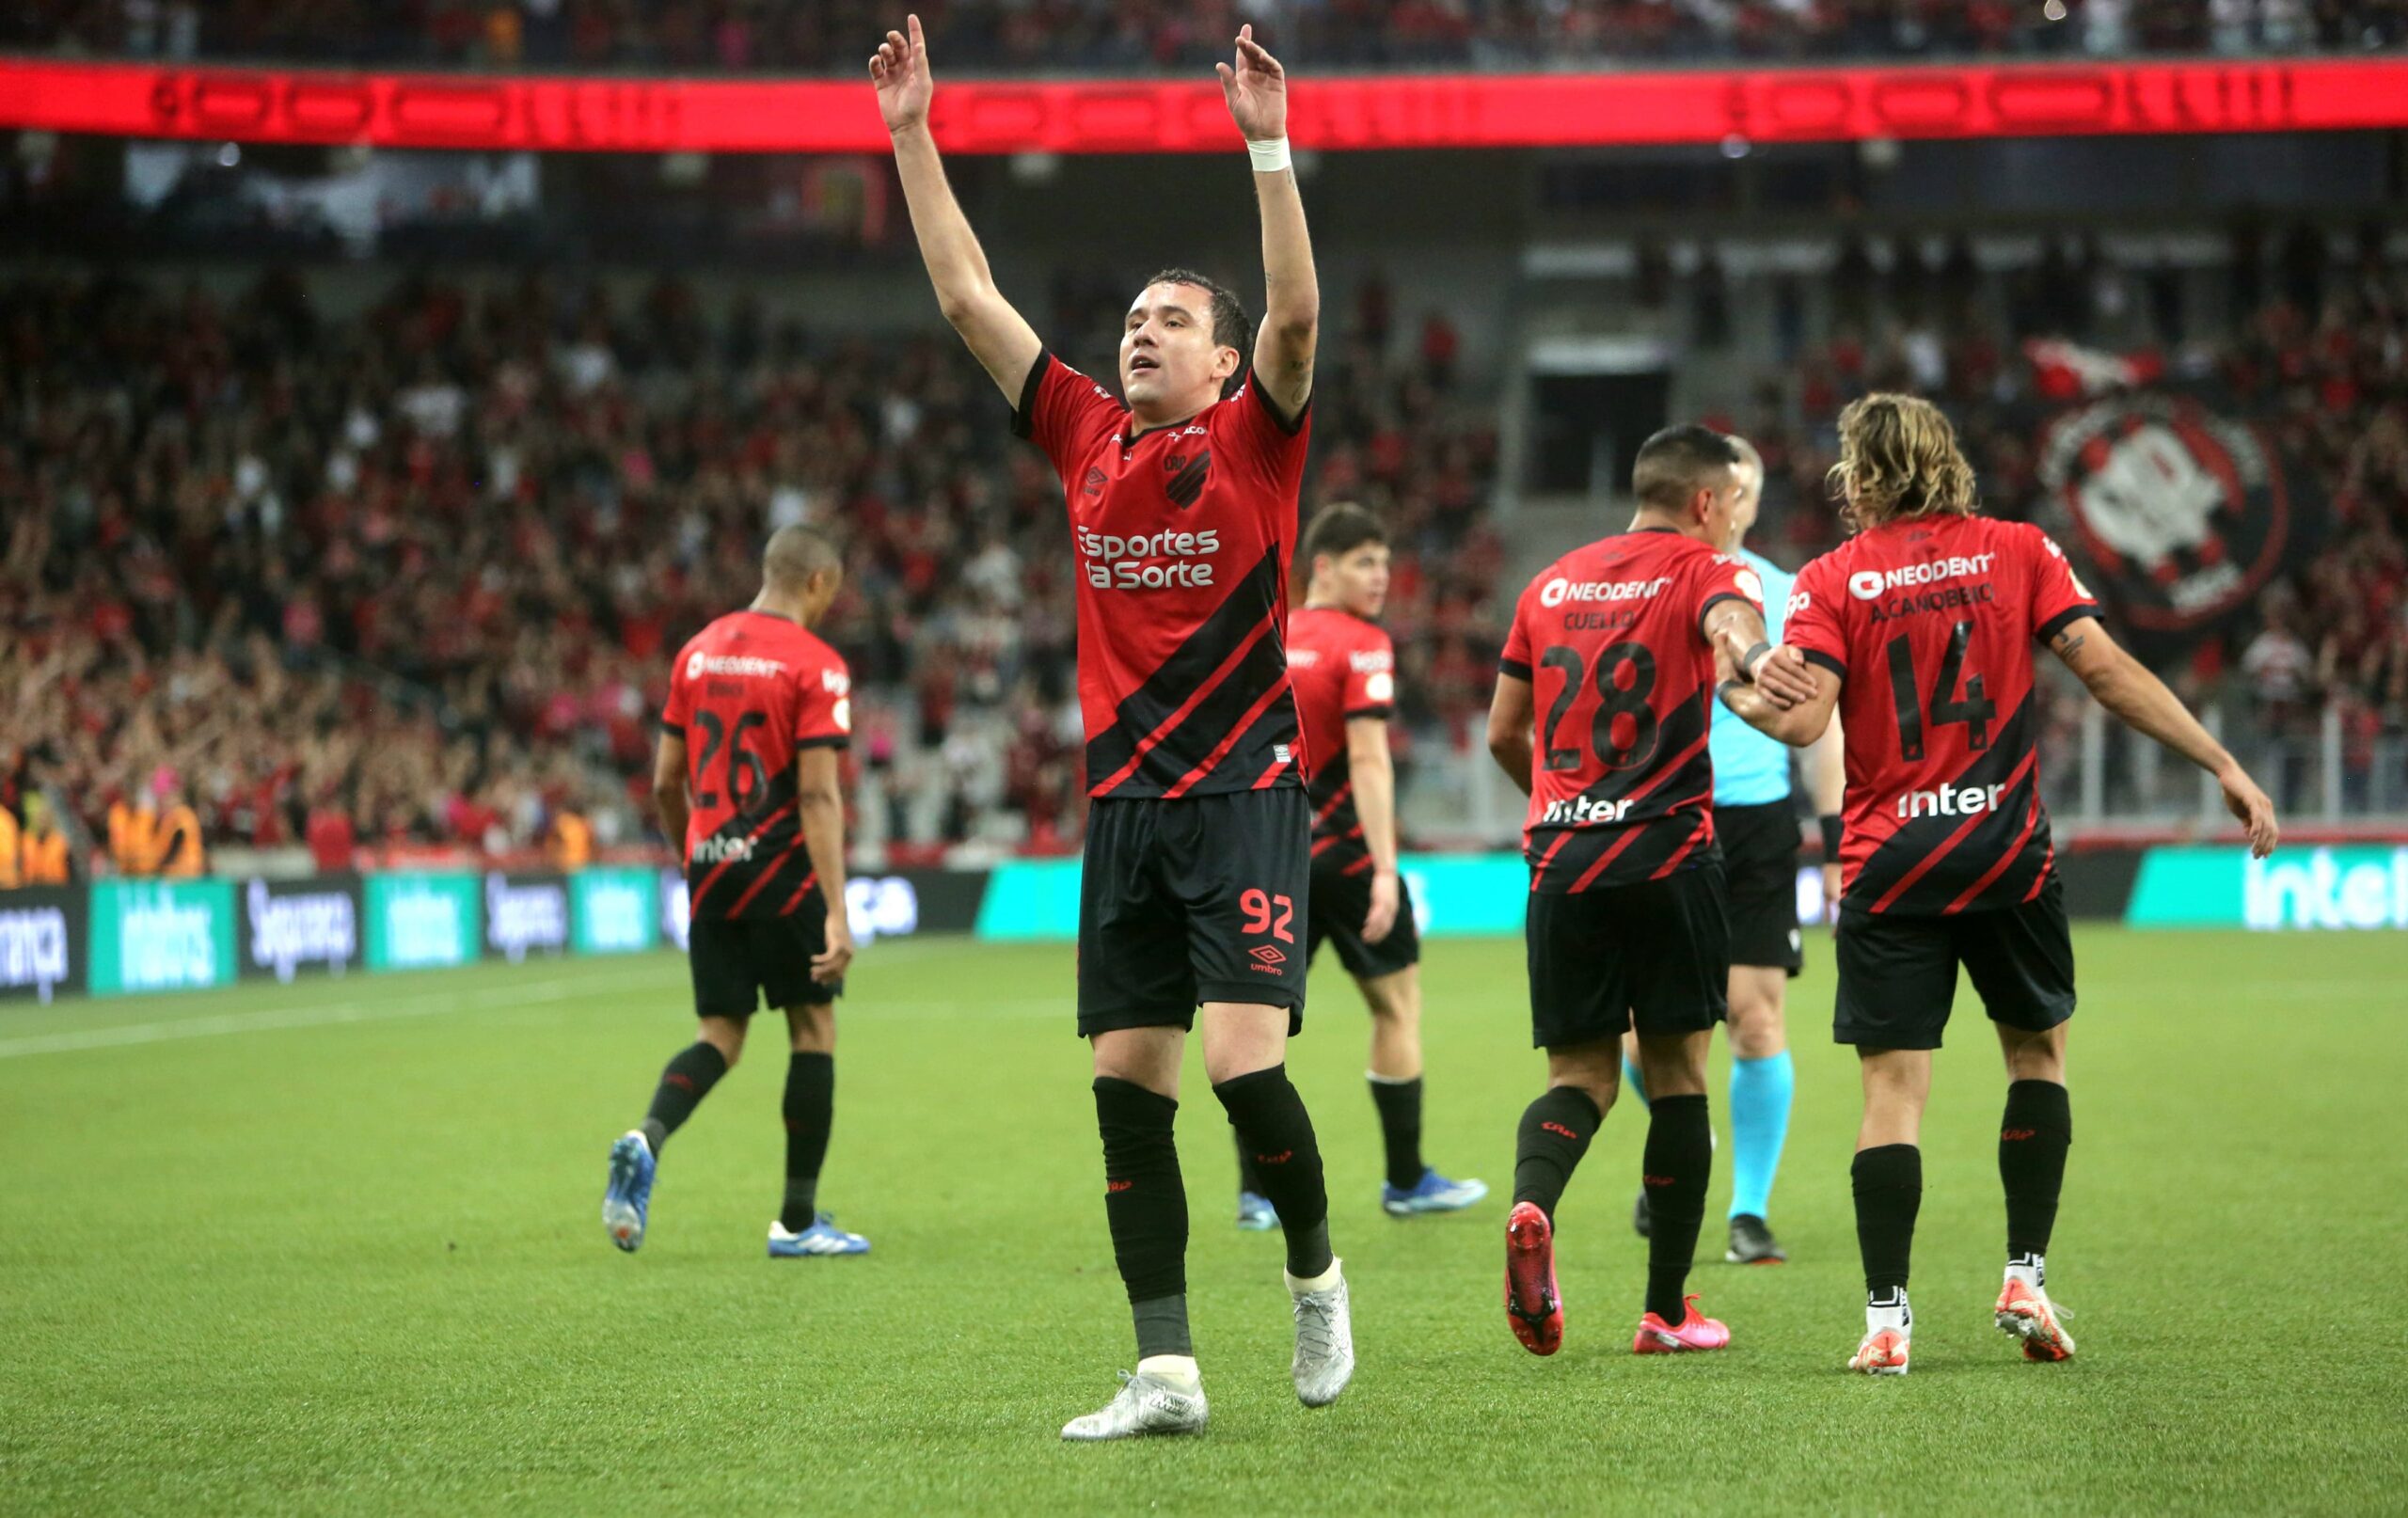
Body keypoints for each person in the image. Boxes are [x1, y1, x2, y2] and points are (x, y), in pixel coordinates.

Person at [875, 14, 1352, 1439]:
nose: (1140, 332)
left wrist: (1268, 144)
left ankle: (1318, 1276)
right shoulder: (1086, 435)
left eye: (1170, 322)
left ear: (1220, 365)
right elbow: (970, 301)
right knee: (1126, 1088)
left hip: (1248, 792)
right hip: (1129, 809)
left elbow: (1299, 316)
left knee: (1240, 1065)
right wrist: (911, 133)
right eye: (1132, 318)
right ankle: (1166, 1372)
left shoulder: (1256, 440)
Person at [1720, 393, 2278, 1376]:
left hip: (1892, 863)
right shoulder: (2018, 550)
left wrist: (1730, 683)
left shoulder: (1830, 579)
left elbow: (1803, 724)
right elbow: (2105, 672)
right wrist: (2219, 762)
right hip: (2006, 852)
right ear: (1947, 461)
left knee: (1892, 1093)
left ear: (1862, 475)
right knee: (2036, 1058)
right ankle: (2024, 1274)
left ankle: (1887, 1320)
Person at [1484, 424, 1814, 1360]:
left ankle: (1530, 1204)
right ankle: (1667, 1311)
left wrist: (1560, 807)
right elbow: (1732, 628)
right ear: (1708, 503)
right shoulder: (1706, 568)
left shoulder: (1548, 584)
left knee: (1578, 1077)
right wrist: (1754, 661)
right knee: (1676, 1081)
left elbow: (1505, 732)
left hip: (1562, 863)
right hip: (1668, 859)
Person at [600, 526, 869, 1261]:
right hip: (783, 874)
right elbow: (817, 798)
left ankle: (644, 1137)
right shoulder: (815, 665)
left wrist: (698, 856)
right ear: (817, 582)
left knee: (719, 1034)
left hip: (712, 869)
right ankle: (796, 1220)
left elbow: (663, 783)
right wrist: (839, 913)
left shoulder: (697, 650)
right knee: (812, 1031)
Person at [1623, 435, 1845, 1265]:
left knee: (1755, 1019)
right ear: (1706, 497)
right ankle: (1691, 1134)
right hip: (1658, 813)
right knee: (1642, 1039)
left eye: (1750, 486)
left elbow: (1824, 729)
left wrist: (1832, 838)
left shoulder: (1788, 592)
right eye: (1730, 487)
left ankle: (1748, 1212)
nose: (1737, 501)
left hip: (1754, 823)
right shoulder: (1636, 584)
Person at [1234, 502, 1484, 1228]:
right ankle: (1406, 1181)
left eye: (1384, 562)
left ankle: (1257, 1194)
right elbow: (1370, 758)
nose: (1381, 577)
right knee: (1396, 1008)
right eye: (1365, 563)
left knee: (1257, 1025)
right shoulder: (1364, 644)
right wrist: (1384, 869)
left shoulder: (1266, 633)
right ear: (1326, 567)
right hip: (1345, 857)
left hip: (1267, 858)